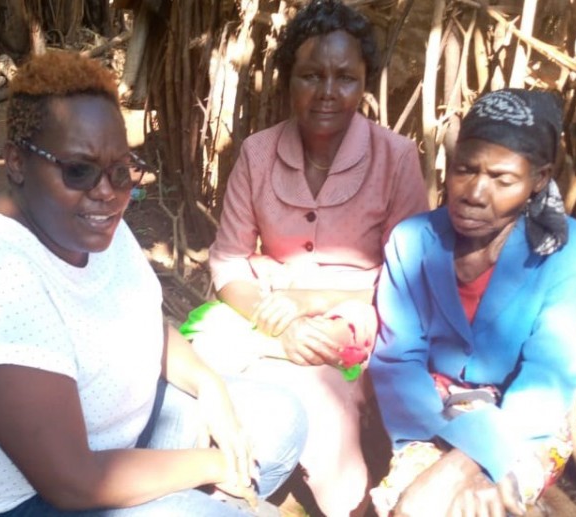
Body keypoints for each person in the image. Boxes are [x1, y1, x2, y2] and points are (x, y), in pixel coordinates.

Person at [0, 51, 307, 517]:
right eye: (79, 169)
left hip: (124, 439)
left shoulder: (91, 226)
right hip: (24, 500)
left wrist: (209, 385)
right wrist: (215, 463)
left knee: (279, 419)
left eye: (121, 170)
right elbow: (74, 483)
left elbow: (146, 322)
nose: (107, 191)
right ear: (16, 161)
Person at [183, 1, 428, 514]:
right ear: (288, 80)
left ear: (365, 83)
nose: (327, 92)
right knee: (194, 369)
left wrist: (309, 301)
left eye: (345, 77)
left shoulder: (396, 158)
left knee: (317, 386)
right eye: (311, 75)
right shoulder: (257, 152)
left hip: (361, 308)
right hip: (265, 308)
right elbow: (228, 261)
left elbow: (408, 278)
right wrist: (277, 319)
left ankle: (351, 503)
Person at [369, 88, 576, 517]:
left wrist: (461, 466)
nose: (474, 192)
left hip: (524, 424)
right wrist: (439, 449)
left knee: (477, 505)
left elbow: (550, 374)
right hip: (428, 415)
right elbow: (398, 361)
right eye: (464, 170)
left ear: (539, 179)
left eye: (503, 179)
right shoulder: (412, 241)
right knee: (408, 509)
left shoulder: (564, 250)